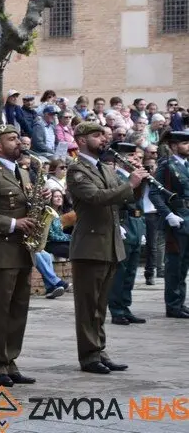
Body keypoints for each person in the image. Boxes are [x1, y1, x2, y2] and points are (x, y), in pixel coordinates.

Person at [67, 121, 146, 374]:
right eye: (97, 135)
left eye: (104, 135)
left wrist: (140, 181)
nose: (104, 139)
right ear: (81, 140)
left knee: (101, 306)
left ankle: (100, 350)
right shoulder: (77, 170)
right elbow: (96, 198)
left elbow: (124, 198)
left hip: (109, 244)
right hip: (89, 245)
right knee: (88, 305)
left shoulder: (105, 169)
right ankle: (89, 356)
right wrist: (130, 184)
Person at [0, 125, 46, 386]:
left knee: (18, 310)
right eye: (11, 139)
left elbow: (28, 206)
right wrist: (14, 224)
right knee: (1, 311)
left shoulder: (24, 172)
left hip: (23, 250)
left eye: (18, 138)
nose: (18, 142)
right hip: (1, 251)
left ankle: (11, 361)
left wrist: (42, 199)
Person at [105, 142, 148, 325]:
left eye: (137, 156)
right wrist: (116, 225)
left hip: (136, 222)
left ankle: (125, 306)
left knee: (131, 271)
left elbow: (140, 204)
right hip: (123, 222)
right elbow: (111, 202)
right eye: (131, 156)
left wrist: (142, 228)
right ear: (120, 158)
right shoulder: (114, 177)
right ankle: (116, 310)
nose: (136, 160)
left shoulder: (136, 178)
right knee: (120, 271)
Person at [149, 130, 189, 318]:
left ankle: (180, 301)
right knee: (174, 264)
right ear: (174, 146)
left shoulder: (187, 165)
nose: (188, 146)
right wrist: (168, 215)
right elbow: (155, 193)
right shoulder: (166, 165)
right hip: (177, 219)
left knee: (184, 265)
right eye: (185, 143)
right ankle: (173, 305)